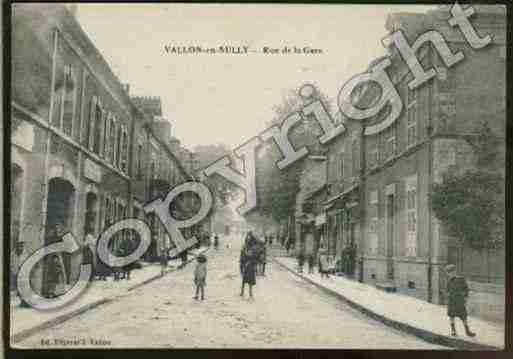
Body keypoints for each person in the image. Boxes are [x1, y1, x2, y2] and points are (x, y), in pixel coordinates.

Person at [445, 264, 476, 337]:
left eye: (452, 272)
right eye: (449, 273)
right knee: (451, 316)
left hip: (460, 301)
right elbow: (447, 291)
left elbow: (466, 289)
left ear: (455, 272)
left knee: (464, 316)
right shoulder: (449, 281)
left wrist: (465, 298)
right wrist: (447, 297)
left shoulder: (461, 279)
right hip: (452, 301)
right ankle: (453, 331)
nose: (451, 274)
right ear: (447, 274)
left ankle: (467, 331)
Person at [240, 232, 258, 298]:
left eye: (249, 237)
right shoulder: (245, 246)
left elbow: (254, 256)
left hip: (250, 264)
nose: (248, 238)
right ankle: (242, 291)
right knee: (244, 279)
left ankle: (250, 292)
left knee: (250, 279)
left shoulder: (253, 247)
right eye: (247, 237)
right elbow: (242, 256)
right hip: (246, 264)